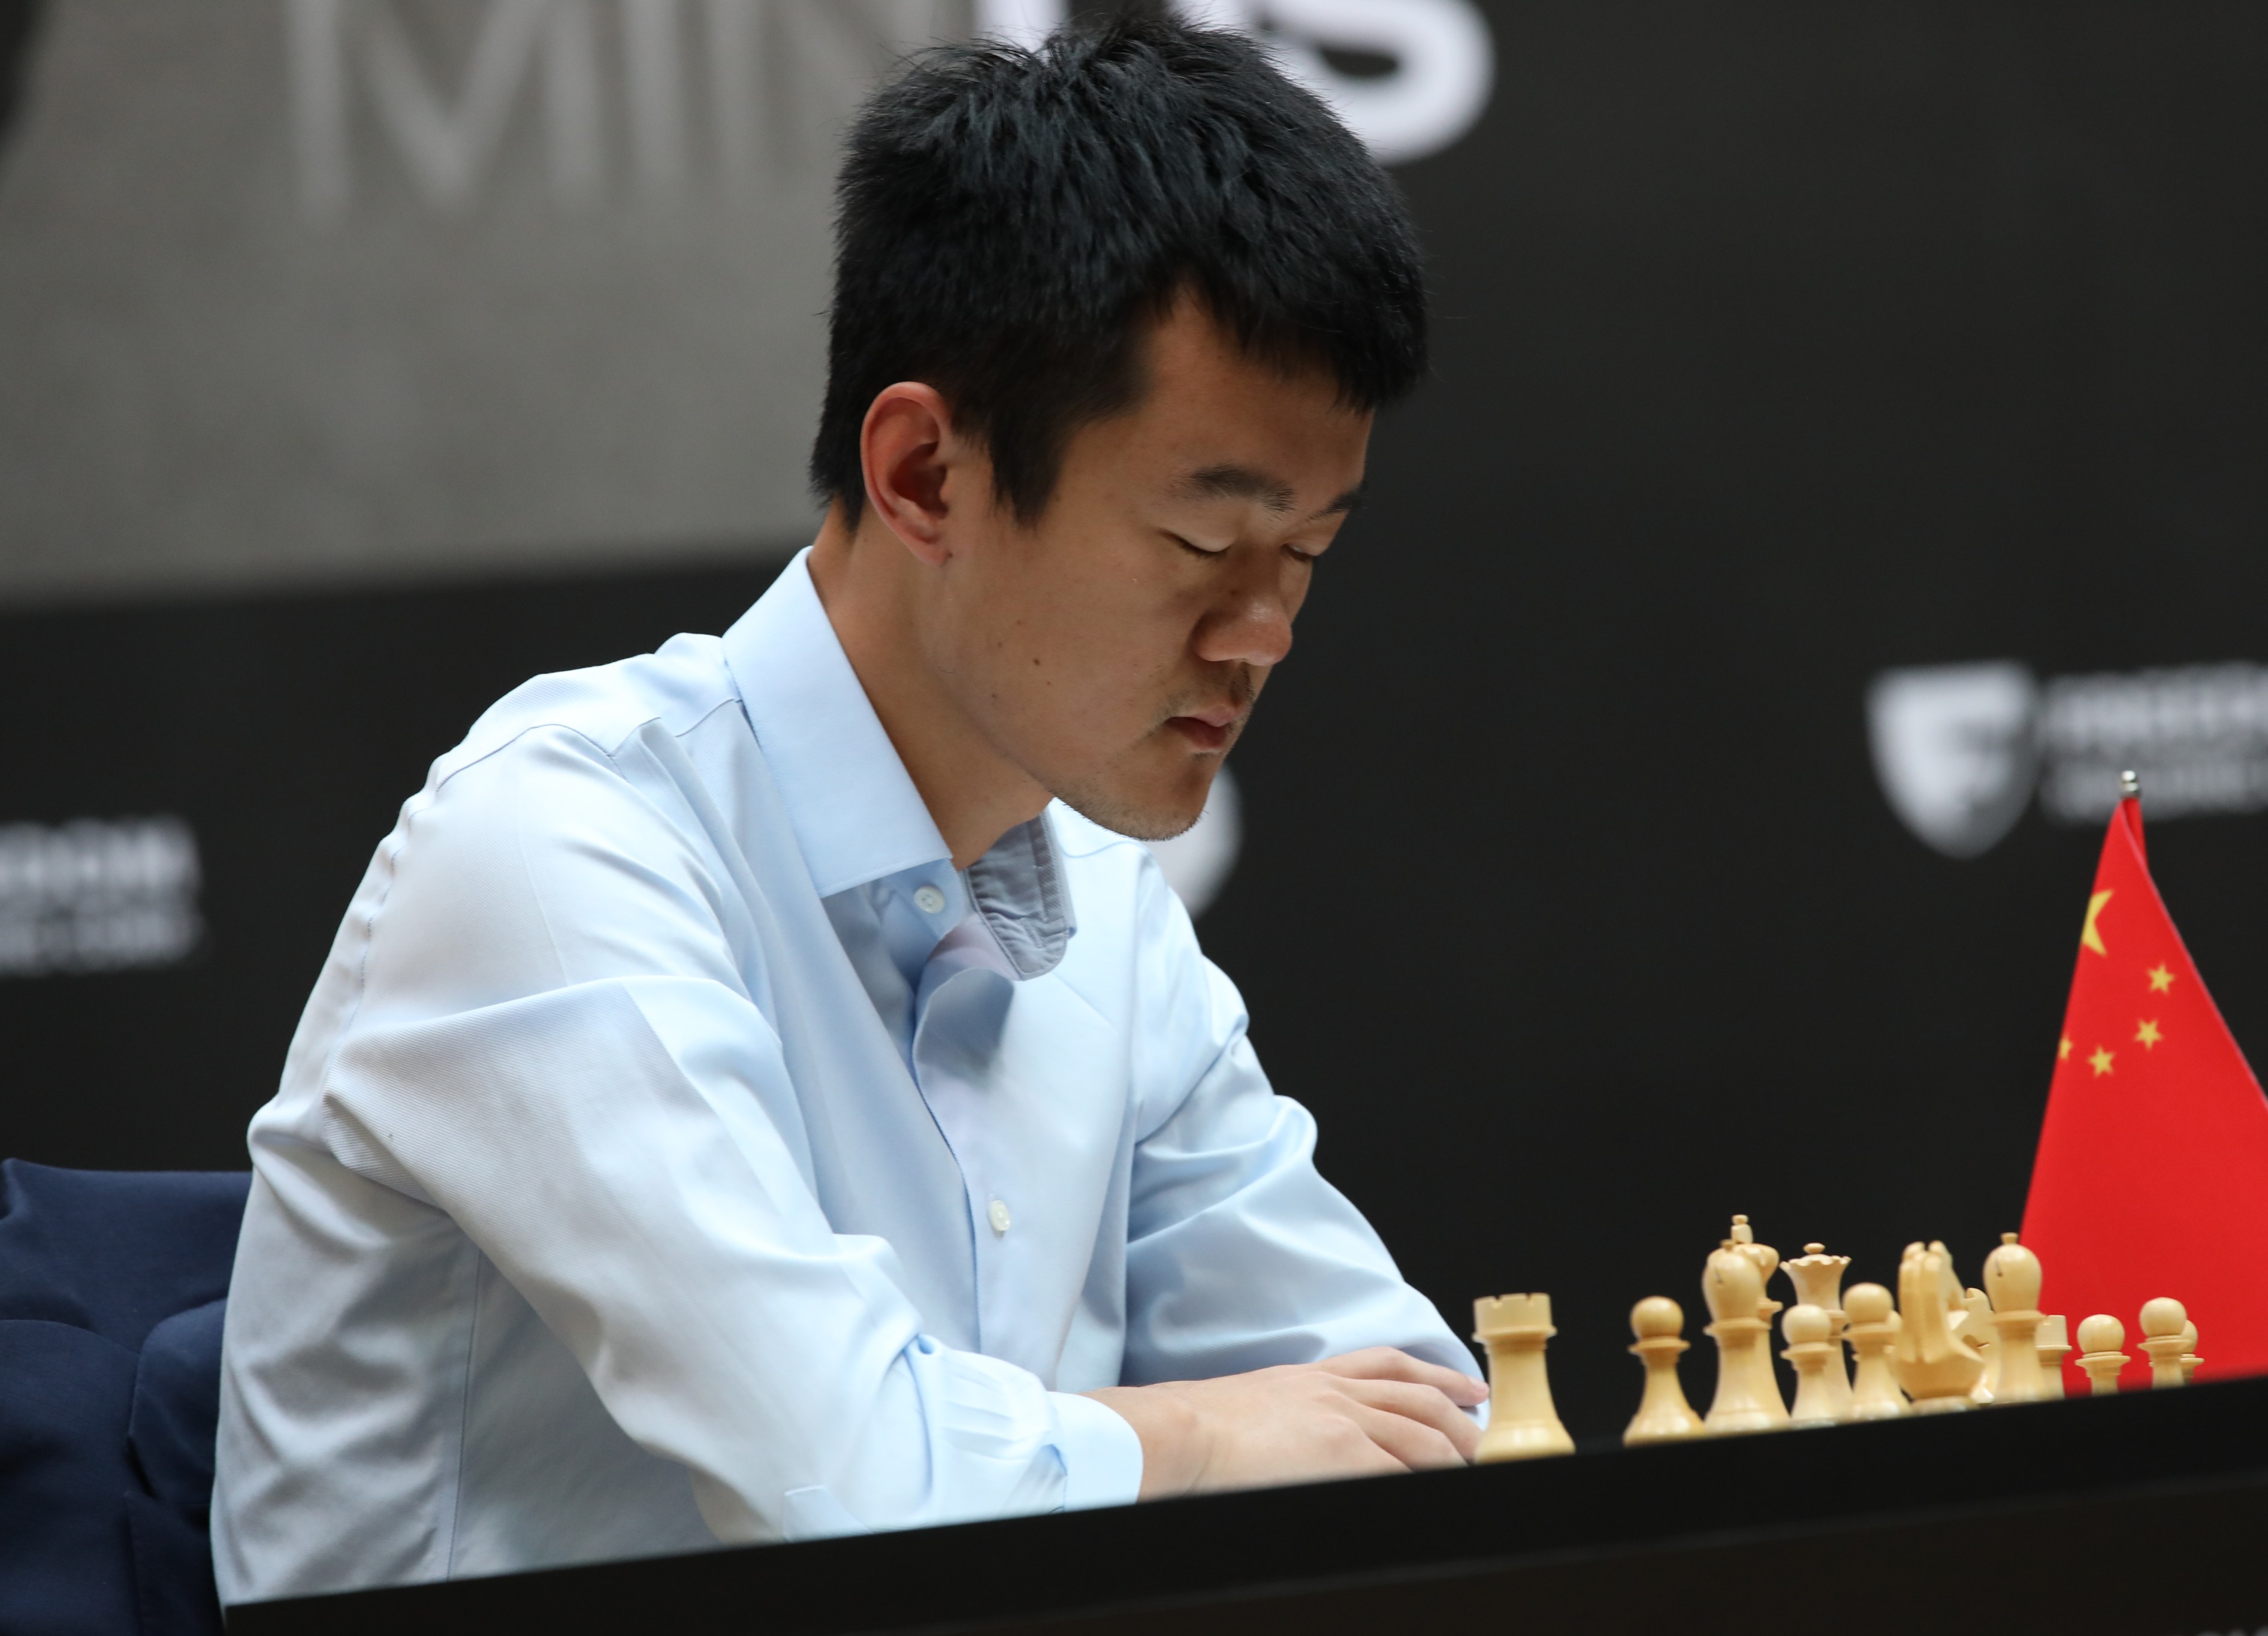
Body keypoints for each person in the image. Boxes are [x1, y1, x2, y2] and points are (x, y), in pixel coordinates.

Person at [210, 13, 1484, 1602]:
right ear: (926, 476)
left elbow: (1400, 1413)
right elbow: (856, 1492)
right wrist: (1212, 1443)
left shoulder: (1106, 911)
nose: (1263, 635)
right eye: (1202, 544)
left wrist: (1238, 1432)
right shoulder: (558, 848)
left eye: (1306, 556)